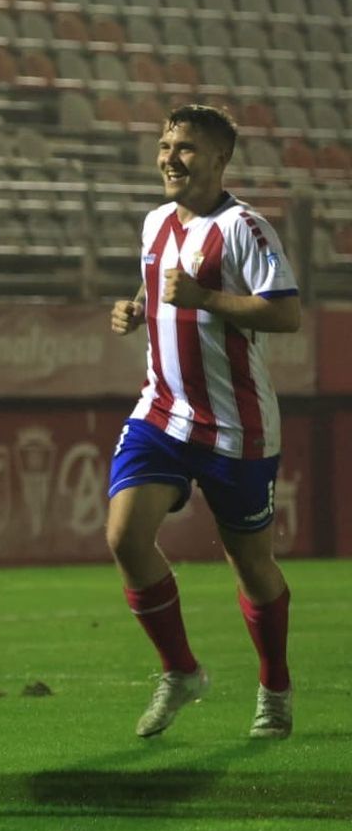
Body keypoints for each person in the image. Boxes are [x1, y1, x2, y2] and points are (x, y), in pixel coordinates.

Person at [106, 104, 300, 741]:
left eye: (185, 148)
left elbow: (285, 313)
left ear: (220, 159)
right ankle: (180, 671)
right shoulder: (156, 221)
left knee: (251, 567)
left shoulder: (246, 228)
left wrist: (205, 299)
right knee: (125, 537)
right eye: (165, 144)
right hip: (161, 411)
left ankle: (273, 685)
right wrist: (135, 309)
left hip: (235, 427)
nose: (169, 157)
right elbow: (157, 287)